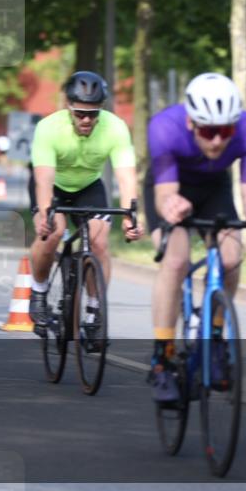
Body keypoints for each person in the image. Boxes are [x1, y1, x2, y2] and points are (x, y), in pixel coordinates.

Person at [145, 73, 246, 403]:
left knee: (231, 257)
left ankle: (216, 338)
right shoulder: (164, 128)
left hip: (214, 189)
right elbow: (165, 194)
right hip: (170, 189)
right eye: (209, 131)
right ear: (192, 122)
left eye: (226, 131)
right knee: (176, 260)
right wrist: (172, 205)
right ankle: (161, 359)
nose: (218, 141)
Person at [28, 71, 144, 349]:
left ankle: (94, 312)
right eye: (80, 113)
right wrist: (44, 214)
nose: (87, 120)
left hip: (89, 187)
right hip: (54, 186)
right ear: (68, 105)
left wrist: (131, 216)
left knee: (100, 242)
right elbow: (43, 179)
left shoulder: (115, 128)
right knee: (53, 233)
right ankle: (39, 292)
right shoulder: (48, 128)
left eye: (94, 114)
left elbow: (127, 178)